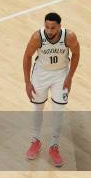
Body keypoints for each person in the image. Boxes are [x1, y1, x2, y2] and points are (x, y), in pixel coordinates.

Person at [22, 12, 80, 167]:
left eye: (53, 27)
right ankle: (35, 141)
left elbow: (76, 54)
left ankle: (54, 145)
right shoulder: (37, 37)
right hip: (41, 74)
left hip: (61, 74)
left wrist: (69, 77)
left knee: (58, 110)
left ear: (60, 26)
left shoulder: (69, 37)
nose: (49, 30)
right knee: (37, 108)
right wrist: (27, 82)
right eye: (47, 26)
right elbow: (27, 57)